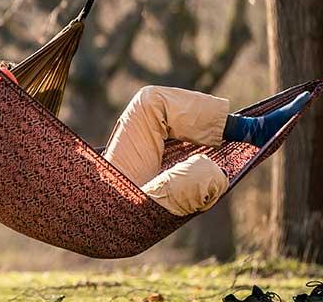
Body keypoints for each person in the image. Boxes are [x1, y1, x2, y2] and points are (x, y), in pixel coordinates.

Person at [102, 85, 311, 215]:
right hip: (111, 215)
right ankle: (238, 149)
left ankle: (252, 130)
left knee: (149, 100)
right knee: (205, 173)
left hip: (100, 181)